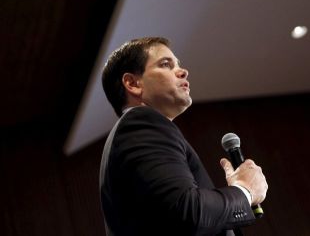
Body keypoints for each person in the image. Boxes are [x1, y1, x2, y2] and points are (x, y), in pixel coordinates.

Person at [99, 37, 268, 236]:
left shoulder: (139, 130)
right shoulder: (141, 123)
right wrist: (244, 192)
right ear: (133, 83)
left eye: (178, 64)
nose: (183, 71)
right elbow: (188, 213)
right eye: (165, 64)